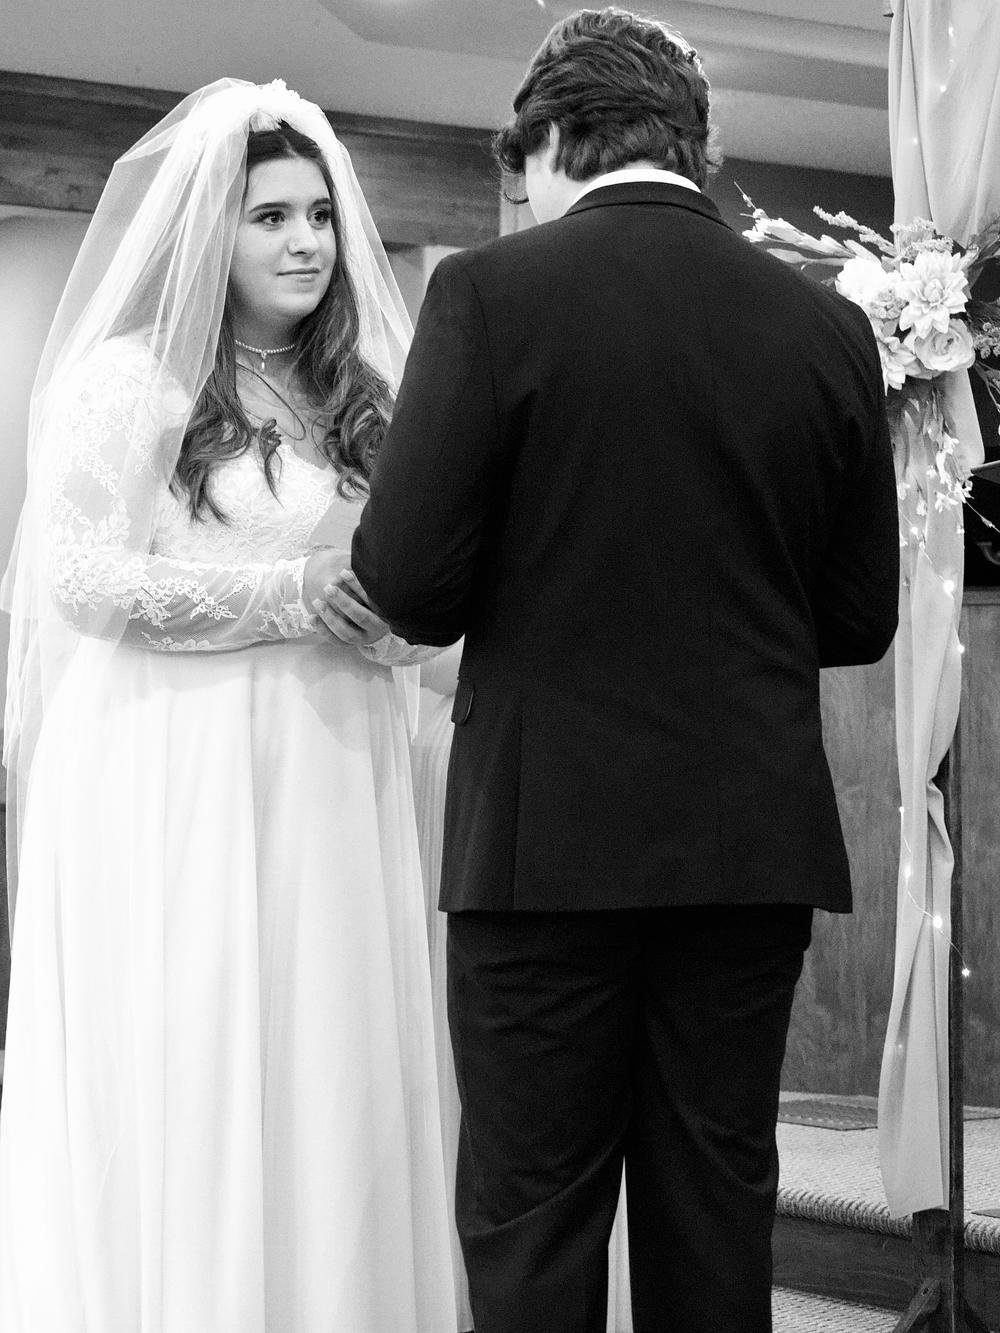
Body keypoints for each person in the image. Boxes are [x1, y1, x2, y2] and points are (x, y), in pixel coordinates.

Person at [347, 8, 900, 1333]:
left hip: (544, 847)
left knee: (534, 1223)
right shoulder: (824, 326)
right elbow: (858, 614)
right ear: (691, 142)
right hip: (745, 843)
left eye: (520, 172)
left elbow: (406, 581)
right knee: (715, 1209)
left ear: (550, 138)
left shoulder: (490, 295)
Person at [0, 79, 455, 1332]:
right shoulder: (129, 381)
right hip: (184, 765)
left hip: (338, 764)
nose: (308, 241)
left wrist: (392, 619)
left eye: (319, 214)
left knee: (329, 1054)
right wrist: (287, 592)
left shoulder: (362, 395)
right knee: (202, 1047)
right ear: (211, 232)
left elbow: (400, 586)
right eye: (271, 217)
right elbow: (80, 578)